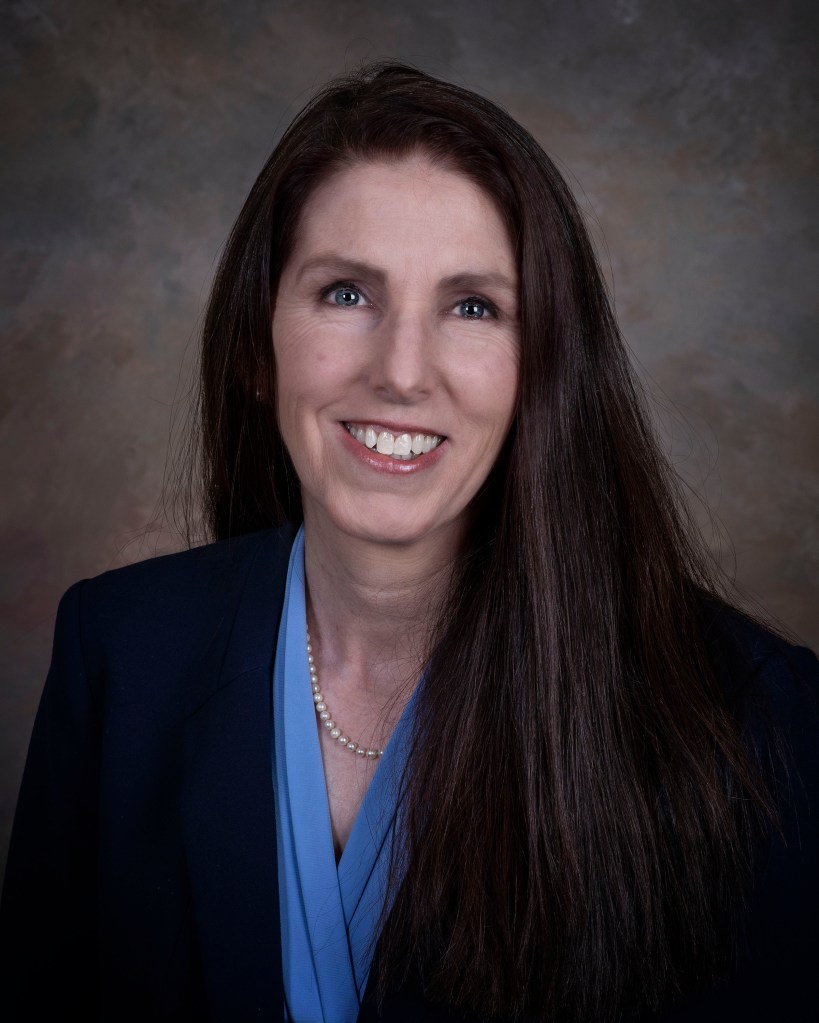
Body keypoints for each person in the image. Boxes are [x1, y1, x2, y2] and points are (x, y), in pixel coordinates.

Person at [1, 62, 817, 1023]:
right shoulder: (120, 651)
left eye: (472, 306)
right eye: (346, 293)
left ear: (543, 369)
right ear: (259, 344)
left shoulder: (755, 718)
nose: (400, 371)